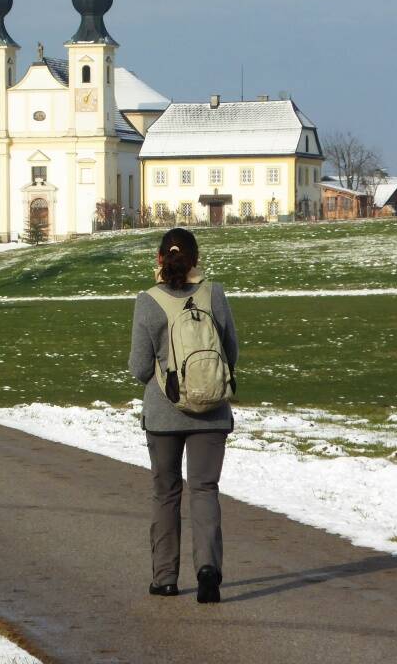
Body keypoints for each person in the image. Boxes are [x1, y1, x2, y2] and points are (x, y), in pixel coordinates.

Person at [128, 227, 238, 604]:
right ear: (196, 259)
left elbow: (139, 367)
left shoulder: (148, 300)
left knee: (166, 493)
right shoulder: (215, 293)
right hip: (212, 411)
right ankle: (208, 569)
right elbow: (231, 352)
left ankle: (165, 578)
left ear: (159, 259)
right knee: (204, 490)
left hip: (163, 413)